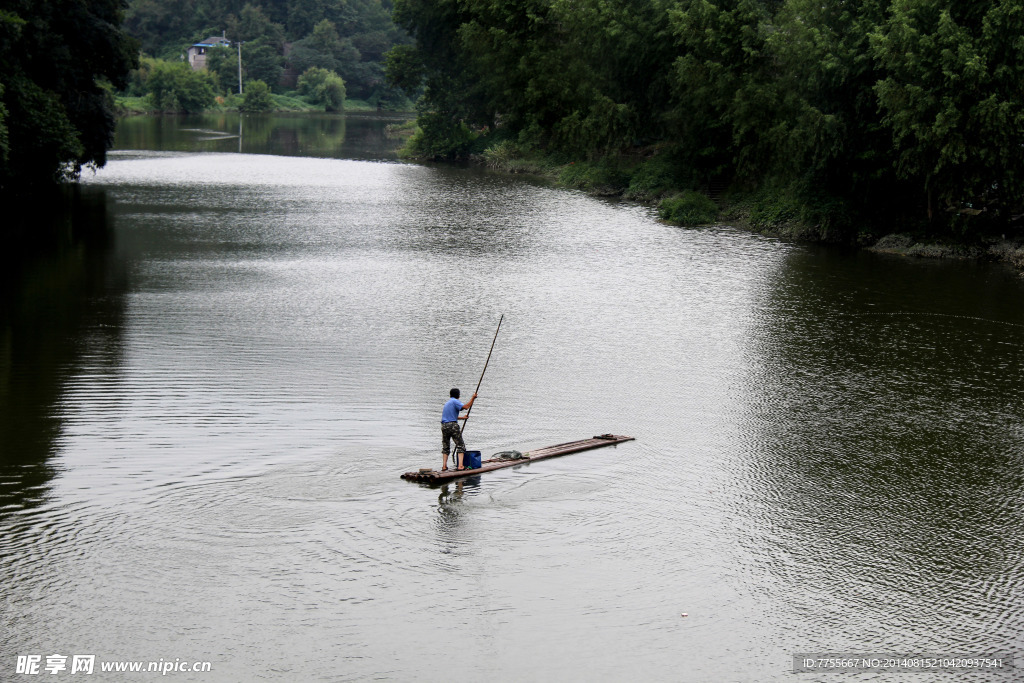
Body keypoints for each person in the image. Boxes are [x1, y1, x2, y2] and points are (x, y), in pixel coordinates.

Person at [441, 388, 477, 471]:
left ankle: (444, 466)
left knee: (446, 447)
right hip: (453, 426)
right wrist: (473, 398)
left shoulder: (447, 403)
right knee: (461, 446)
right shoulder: (455, 401)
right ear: (458, 395)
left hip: (444, 426)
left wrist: (462, 418)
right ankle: (460, 466)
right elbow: (466, 407)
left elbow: (450, 417)